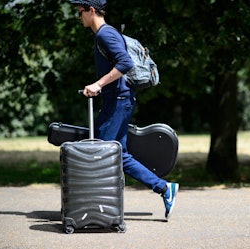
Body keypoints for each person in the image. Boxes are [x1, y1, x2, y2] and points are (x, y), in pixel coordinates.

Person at [69, 0, 178, 219]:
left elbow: (125, 63)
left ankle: (98, 207)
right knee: (118, 154)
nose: (78, 16)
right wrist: (102, 87)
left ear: (91, 10)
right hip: (117, 99)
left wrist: (99, 84)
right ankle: (165, 189)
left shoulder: (104, 35)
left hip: (118, 101)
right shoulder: (105, 34)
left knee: (102, 153)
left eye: (79, 12)